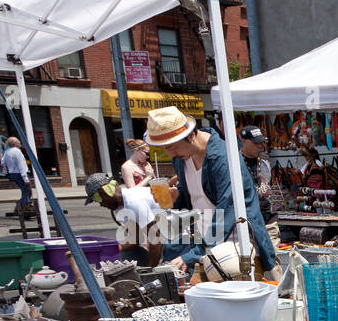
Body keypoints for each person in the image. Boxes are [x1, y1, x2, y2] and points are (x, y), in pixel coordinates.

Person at [143, 106, 277, 279]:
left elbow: (227, 210)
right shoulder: (181, 158)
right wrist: (177, 196)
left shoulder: (223, 157)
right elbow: (197, 196)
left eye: (173, 147)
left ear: (191, 135)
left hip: (236, 250)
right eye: (165, 149)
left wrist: (193, 254)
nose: (170, 154)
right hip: (208, 247)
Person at [84, 172, 162, 266]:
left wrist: (151, 270)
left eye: (98, 200)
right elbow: (136, 238)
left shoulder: (133, 202)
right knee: (125, 254)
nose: (100, 204)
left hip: (177, 235)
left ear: (104, 193)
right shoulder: (118, 208)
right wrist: (113, 250)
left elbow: (156, 239)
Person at [239, 125, 280, 248]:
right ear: (243, 141)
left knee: (273, 261)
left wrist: (278, 210)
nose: (260, 146)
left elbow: (273, 184)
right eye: (255, 143)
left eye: (261, 142)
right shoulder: (236, 161)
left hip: (269, 220)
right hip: (248, 222)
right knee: (251, 262)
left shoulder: (265, 159)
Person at [1, 137, 31, 217]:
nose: (20, 142)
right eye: (18, 141)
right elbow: (21, 165)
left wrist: (9, 167)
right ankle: (22, 209)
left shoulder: (7, 152)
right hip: (20, 174)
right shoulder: (17, 152)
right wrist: (25, 178)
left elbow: (2, 162)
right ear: (15, 143)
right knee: (26, 191)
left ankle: (22, 207)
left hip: (12, 174)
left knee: (26, 191)